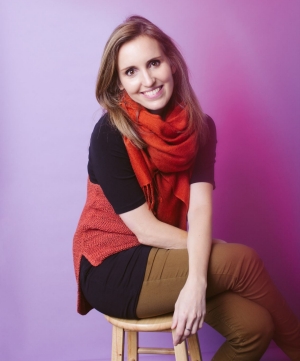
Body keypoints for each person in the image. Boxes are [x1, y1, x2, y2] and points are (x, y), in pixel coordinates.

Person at [73, 15, 300, 360]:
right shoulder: (110, 133)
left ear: (172, 64)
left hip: (165, 256)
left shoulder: (200, 128)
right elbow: (144, 230)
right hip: (112, 267)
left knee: (255, 327)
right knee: (242, 260)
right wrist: (207, 250)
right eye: (131, 71)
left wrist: (197, 279)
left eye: (154, 63)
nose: (148, 80)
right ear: (118, 83)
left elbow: (199, 207)